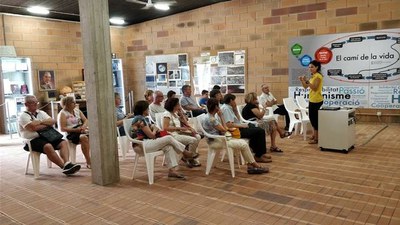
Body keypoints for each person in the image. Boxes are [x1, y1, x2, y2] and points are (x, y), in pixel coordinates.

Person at [130, 100, 196, 180]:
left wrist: (154, 129)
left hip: (147, 142)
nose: (149, 110)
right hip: (141, 145)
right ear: (144, 110)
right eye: (148, 109)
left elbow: (155, 127)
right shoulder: (139, 120)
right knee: (169, 138)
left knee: (168, 146)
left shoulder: (143, 119)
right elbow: (151, 135)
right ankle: (185, 152)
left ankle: (172, 171)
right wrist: (154, 130)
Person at [202, 98, 268, 174]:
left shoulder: (209, 116)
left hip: (217, 138)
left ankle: (251, 165)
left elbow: (224, 129)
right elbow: (225, 129)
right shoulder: (212, 119)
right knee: (244, 144)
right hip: (218, 140)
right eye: (218, 106)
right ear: (216, 107)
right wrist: (221, 116)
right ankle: (254, 165)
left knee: (243, 143)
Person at [18, 95, 81, 175]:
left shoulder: (41, 112)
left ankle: (67, 163)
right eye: (33, 103)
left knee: (63, 142)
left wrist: (39, 122)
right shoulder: (23, 116)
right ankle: (64, 167)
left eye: (36, 102)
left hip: (46, 135)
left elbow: (52, 121)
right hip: (32, 140)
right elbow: (32, 128)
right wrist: (45, 123)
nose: (36, 104)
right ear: (26, 104)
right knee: (48, 146)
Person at [220, 94, 272, 163]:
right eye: (234, 100)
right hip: (234, 132)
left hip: (237, 128)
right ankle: (258, 156)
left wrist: (235, 110)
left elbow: (237, 120)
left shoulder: (229, 107)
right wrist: (242, 126)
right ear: (231, 100)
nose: (235, 102)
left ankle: (259, 153)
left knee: (253, 127)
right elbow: (229, 125)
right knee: (260, 131)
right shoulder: (226, 109)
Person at [163, 98, 201, 167]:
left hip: (178, 133)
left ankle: (188, 157)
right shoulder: (167, 114)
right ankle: (190, 157)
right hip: (172, 135)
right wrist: (180, 128)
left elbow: (186, 123)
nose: (179, 106)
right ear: (173, 106)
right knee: (193, 140)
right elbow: (165, 128)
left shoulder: (175, 114)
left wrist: (181, 114)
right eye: (178, 104)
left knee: (197, 136)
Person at [58, 96, 91, 168]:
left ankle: (92, 156)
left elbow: (85, 120)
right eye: (73, 102)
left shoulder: (77, 110)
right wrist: (75, 130)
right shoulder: (63, 114)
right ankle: (88, 161)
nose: (75, 103)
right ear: (67, 104)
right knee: (84, 138)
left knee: (94, 136)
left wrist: (83, 126)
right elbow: (62, 128)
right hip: (71, 133)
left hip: (80, 129)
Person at [299, 60, 323, 144]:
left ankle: (316, 139)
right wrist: (302, 80)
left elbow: (315, 88)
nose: (310, 69)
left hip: (317, 100)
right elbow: (306, 87)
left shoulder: (318, 76)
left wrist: (307, 81)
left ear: (317, 67)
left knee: (315, 120)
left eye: (312, 67)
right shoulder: (313, 76)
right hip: (312, 100)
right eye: (309, 67)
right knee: (312, 119)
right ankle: (314, 135)